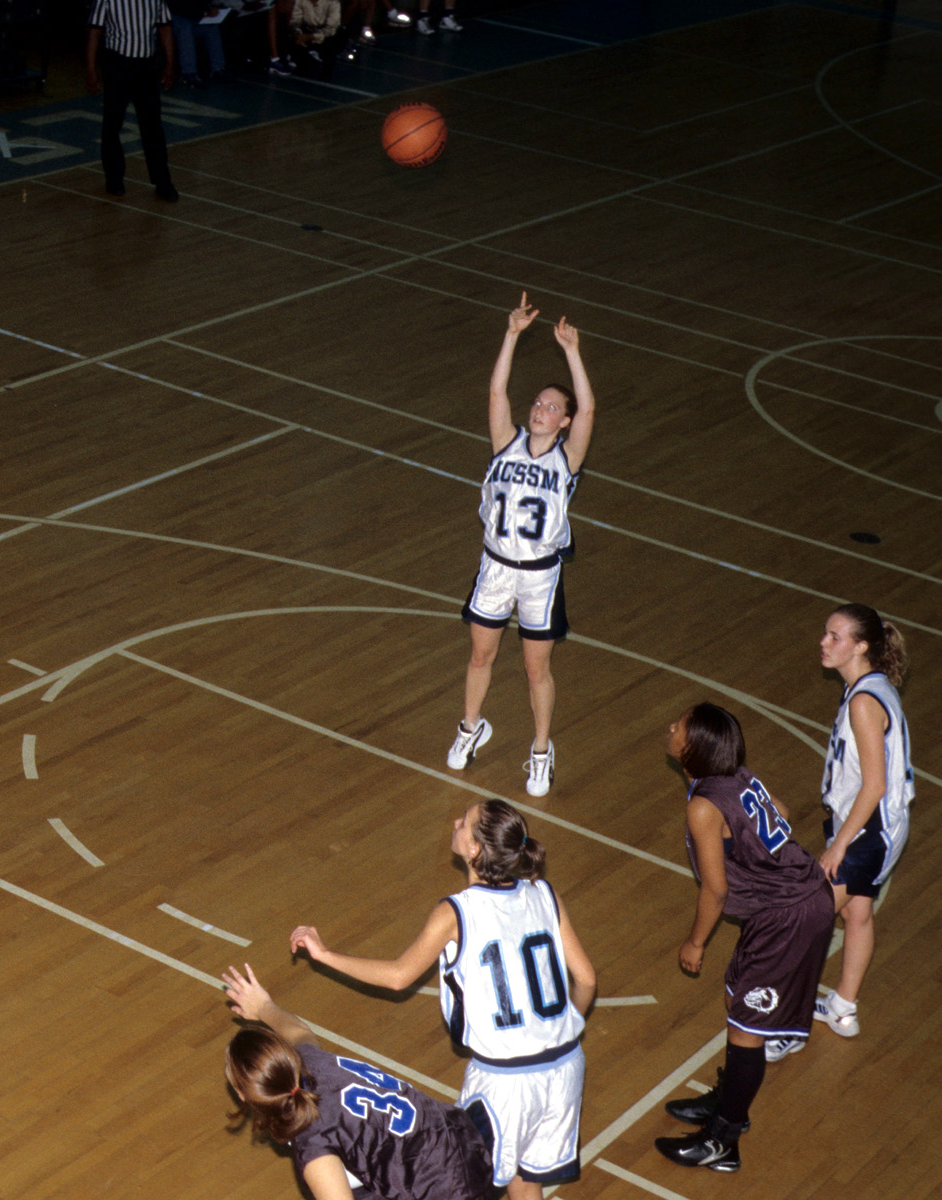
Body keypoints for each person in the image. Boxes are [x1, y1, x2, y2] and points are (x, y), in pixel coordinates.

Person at [290, 800, 596, 1200]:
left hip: (505, 1084)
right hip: (567, 1067)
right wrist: (556, 1034)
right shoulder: (545, 894)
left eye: (464, 822)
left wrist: (326, 955)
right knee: (526, 1182)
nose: (455, 822)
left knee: (458, 1188)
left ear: (474, 849)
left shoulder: (456, 911)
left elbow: (399, 977)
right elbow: (586, 979)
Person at [655, 703, 834, 1171]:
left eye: (681, 726)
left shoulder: (703, 806)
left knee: (747, 1028)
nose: (671, 727)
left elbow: (715, 889)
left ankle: (724, 1138)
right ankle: (728, 1099)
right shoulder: (737, 777)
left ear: (694, 750)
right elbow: (783, 813)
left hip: (788, 916)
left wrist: (695, 942)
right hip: (782, 905)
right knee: (737, 997)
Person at [446, 292, 595, 797]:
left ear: (564, 422)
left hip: (539, 577)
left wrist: (572, 352)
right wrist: (511, 335)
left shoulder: (566, 459)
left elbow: (589, 406)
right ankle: (471, 727)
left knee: (536, 668)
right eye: (537, 402)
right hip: (495, 567)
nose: (540, 410)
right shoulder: (505, 442)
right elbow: (496, 390)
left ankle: (541, 750)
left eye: (552, 408)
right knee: (480, 656)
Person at [221, 963, 496, 1200]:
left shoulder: (313, 1146)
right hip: (462, 1136)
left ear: (243, 1095)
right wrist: (263, 1006)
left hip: (448, 1188)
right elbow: (298, 1031)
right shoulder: (309, 1061)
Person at [813, 603, 913, 1040]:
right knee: (858, 913)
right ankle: (843, 1008)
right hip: (861, 822)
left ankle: (783, 1025)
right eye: (826, 633)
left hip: (869, 830)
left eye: (835, 637)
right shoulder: (867, 685)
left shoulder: (864, 703)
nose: (823, 642)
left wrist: (839, 846)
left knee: (804, 922)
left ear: (861, 647)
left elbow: (874, 786)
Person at [86, 0, 178, 203]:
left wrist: (170, 64)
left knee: (153, 126)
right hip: (117, 64)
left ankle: (163, 182)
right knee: (112, 124)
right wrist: (91, 69)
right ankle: (114, 179)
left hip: (146, 67)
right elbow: (95, 31)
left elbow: (165, 28)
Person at [167, 0, 227, 87]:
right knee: (185, 28)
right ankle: (188, 73)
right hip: (172, 18)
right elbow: (177, 7)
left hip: (191, 16)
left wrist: (210, 9)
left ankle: (218, 68)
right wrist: (204, 13)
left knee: (211, 27)